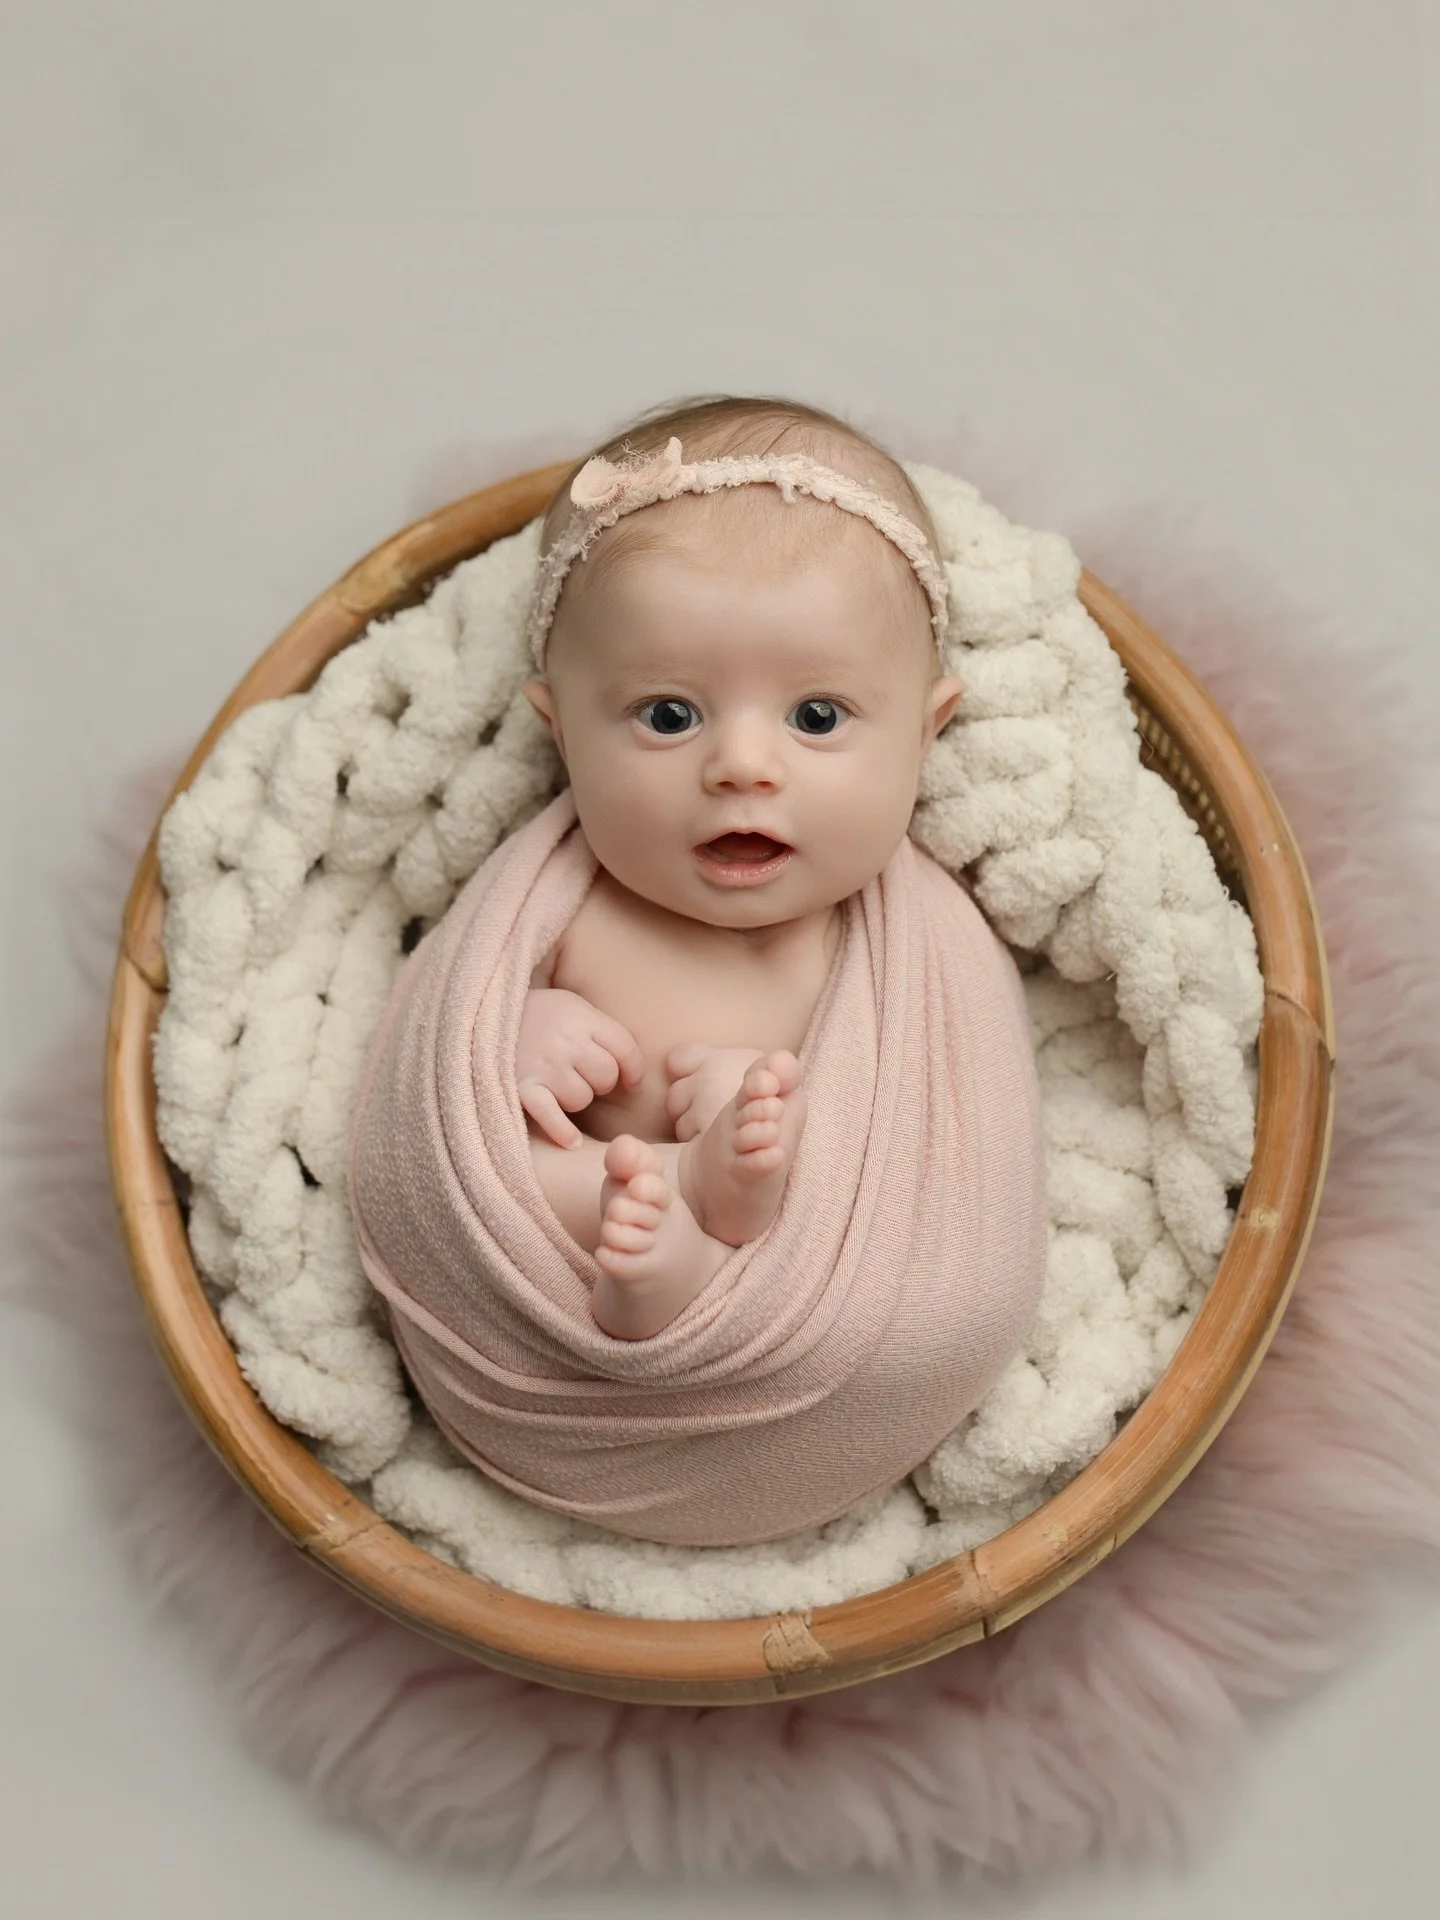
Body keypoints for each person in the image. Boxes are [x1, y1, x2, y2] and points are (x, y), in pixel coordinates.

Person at [515, 395, 963, 1338]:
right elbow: (432, 1102)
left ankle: (690, 1246)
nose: (743, 767)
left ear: (927, 733)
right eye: (670, 716)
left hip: (807, 1298)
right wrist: (517, 1037)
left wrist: (790, 1115)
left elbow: (940, 1148)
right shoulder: (562, 905)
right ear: (561, 732)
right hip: (583, 1220)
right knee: (530, 1178)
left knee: (784, 1155)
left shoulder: (900, 947)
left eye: (817, 717)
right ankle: (666, 1228)